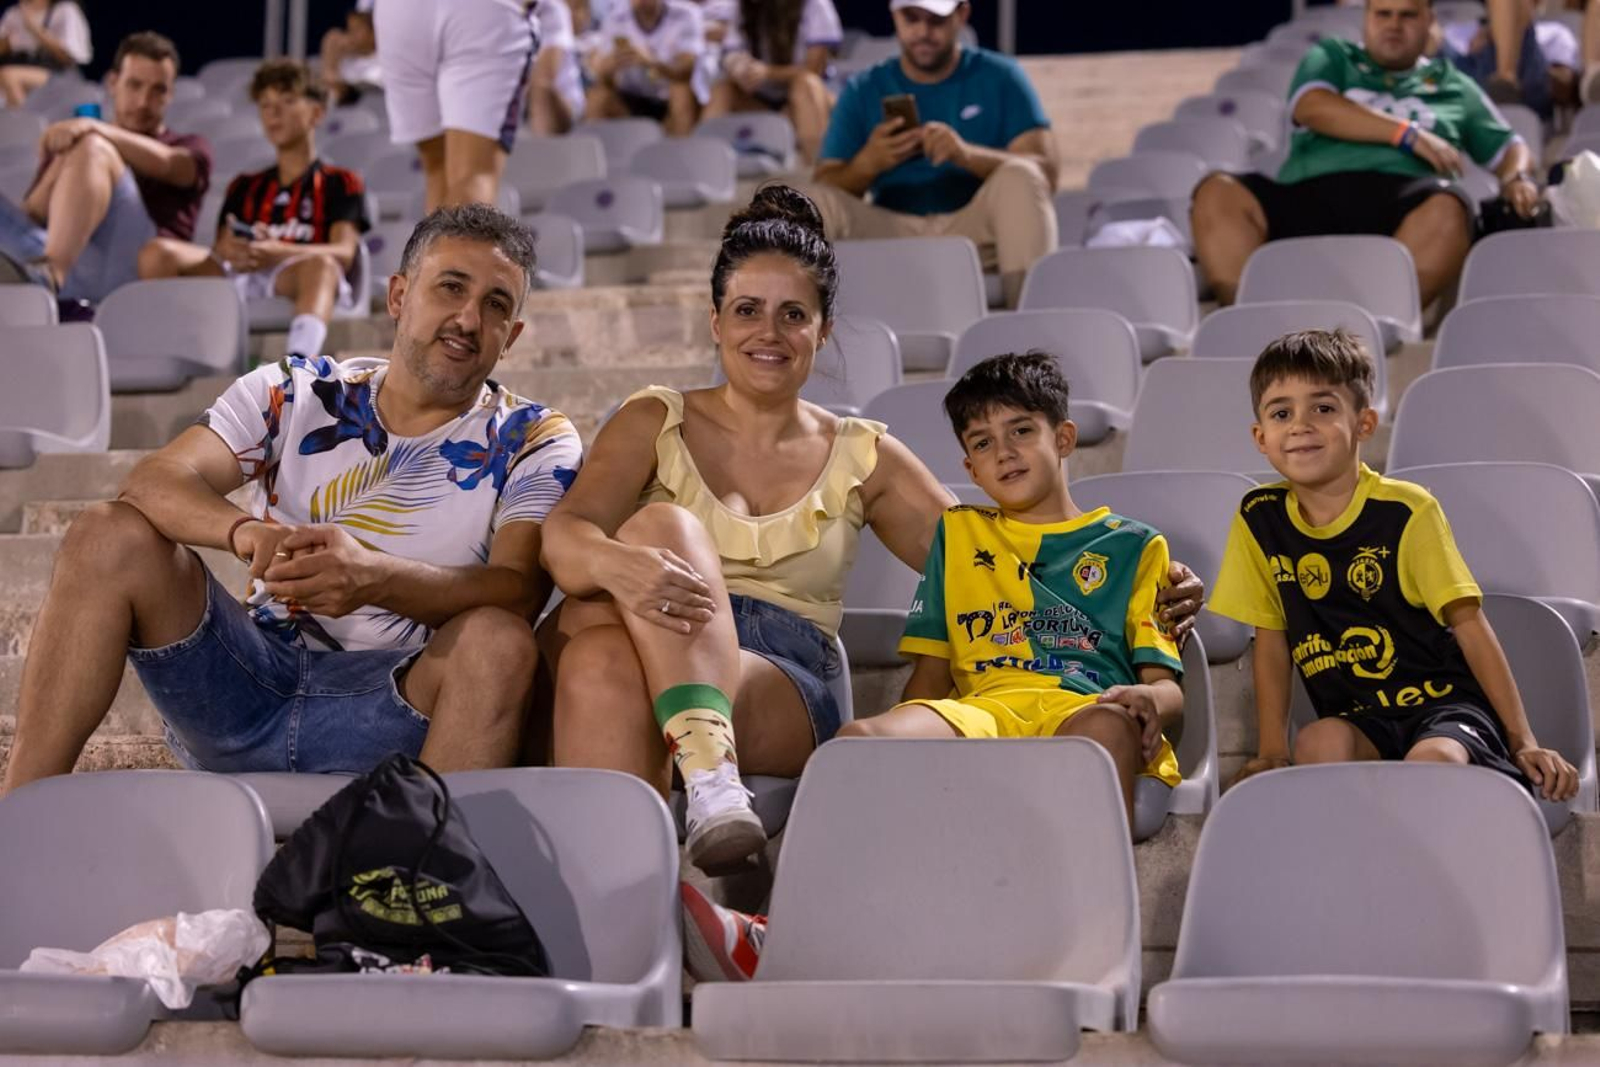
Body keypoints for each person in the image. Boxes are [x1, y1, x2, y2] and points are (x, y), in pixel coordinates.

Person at [539, 186, 1207, 878]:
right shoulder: (653, 417)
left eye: (792, 314)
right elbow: (563, 538)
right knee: (609, 638)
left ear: (823, 330)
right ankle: (664, 894)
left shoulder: (865, 453)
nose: (767, 332)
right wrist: (620, 567)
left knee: (636, 571)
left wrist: (1151, 571)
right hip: (648, 635)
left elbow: (999, 552)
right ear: (714, 320)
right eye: (747, 310)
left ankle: (696, 814)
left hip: (781, 672)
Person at [0, 205, 583, 795]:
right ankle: (17, 821)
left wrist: (377, 579)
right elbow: (153, 481)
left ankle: (421, 877)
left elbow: (519, 590)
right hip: (245, 685)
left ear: (510, 338)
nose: (467, 318)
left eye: (495, 305)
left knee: (499, 642)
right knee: (108, 532)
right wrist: (246, 532)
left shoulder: (535, 436)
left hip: (401, 708)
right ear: (399, 296)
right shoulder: (297, 389)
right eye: (451, 287)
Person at [679, 352, 1191, 982]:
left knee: (1102, 732)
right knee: (859, 743)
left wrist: (1144, 704)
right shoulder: (959, 537)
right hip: (982, 710)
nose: (1003, 453)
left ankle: (1083, 945)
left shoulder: (1136, 546)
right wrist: (898, 752)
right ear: (968, 465)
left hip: (1083, 706)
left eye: (1021, 431)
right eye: (983, 442)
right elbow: (928, 684)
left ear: (1063, 437)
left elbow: (1166, 688)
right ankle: (784, 939)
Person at [1210, 328, 1578, 802]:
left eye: (1322, 408)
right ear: (1261, 437)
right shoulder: (1258, 517)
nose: (1300, 425)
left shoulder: (1407, 510)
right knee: (1317, 742)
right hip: (1361, 718)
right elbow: (1272, 639)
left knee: (1432, 761)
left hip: (1447, 710)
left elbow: (1469, 625)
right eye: (1282, 413)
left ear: (1364, 424)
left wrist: (1522, 739)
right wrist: (1270, 751)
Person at [1191, 0, 1541, 309]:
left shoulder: (1453, 85)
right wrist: (1407, 134)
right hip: (1308, 193)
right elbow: (1312, 106)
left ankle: (1371, 328)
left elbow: (1511, 146)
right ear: (1366, 18)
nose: (1393, 24)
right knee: (1216, 193)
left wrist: (1518, 177)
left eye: (1407, 15)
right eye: (1383, 13)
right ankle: (1250, 320)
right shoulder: (1333, 57)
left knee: (1450, 209)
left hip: (1404, 200)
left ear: (1428, 20)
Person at [805, 0, 1059, 308]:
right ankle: (803, 330)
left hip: (974, 229)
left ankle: (1032, 329)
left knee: (1021, 175)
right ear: (894, 16)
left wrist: (966, 155)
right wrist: (869, 163)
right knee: (813, 203)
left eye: (936, 20)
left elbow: (1045, 173)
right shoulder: (864, 88)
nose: (923, 31)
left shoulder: (1001, 75)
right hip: (891, 230)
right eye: (911, 18)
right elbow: (825, 182)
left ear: (962, 15)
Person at [136, 59, 370, 363]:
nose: (273, 112)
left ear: (316, 112)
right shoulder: (243, 185)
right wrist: (232, 249)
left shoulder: (341, 181)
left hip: (293, 273)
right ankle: (167, 351)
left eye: (287, 101)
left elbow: (344, 253)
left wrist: (277, 250)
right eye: (265, 104)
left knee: (322, 265)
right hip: (243, 272)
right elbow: (220, 249)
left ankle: (297, 364)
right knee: (156, 253)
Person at [0, 32, 210, 304]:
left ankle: (53, 273)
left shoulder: (189, 145)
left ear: (171, 95)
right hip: (54, 254)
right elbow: (34, 215)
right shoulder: (77, 141)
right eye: (134, 85)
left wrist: (94, 129)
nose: (144, 101)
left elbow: (171, 165)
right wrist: (62, 164)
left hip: (131, 269)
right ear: (113, 83)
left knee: (93, 148)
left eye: (158, 90)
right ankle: (45, 273)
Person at [372, 0, 538, 212]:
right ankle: (464, 245)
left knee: (437, 172)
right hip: (480, 13)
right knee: (472, 176)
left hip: (398, 12)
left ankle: (439, 245)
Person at [702, 0, 843, 162]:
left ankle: (815, 166)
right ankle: (705, 164)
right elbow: (730, 53)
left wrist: (768, 72)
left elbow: (814, 69)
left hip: (812, 98)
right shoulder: (741, 7)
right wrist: (739, 69)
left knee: (805, 84)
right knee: (722, 90)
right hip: (760, 98)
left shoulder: (815, 5)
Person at [585, 0, 708, 135]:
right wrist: (608, 68)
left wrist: (651, 61)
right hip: (631, 101)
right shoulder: (614, 19)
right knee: (597, 96)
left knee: (681, 91)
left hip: (669, 101)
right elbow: (606, 81)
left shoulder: (686, 14)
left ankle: (683, 151)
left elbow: (686, 71)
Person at [0, 0, 90, 107]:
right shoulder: (14, 13)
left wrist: (35, 30)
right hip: (21, 64)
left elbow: (67, 56)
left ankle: (25, 121)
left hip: (57, 72)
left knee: (9, 76)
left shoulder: (65, 10)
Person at [527, 0, 588, 135]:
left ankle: (541, 153)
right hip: (518, 101)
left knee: (541, 87)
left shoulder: (554, 10)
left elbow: (545, 76)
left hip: (565, 107)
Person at [318, 2, 382, 107]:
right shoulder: (345, 60)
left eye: (357, 29)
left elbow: (344, 95)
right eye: (349, 28)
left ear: (374, 31)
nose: (350, 34)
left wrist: (330, 67)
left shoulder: (382, 65)